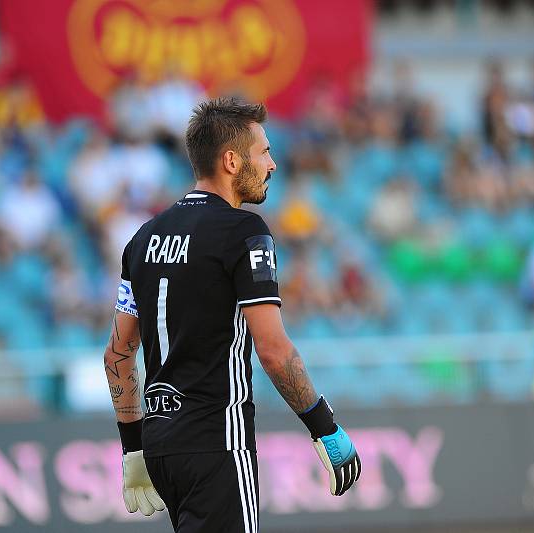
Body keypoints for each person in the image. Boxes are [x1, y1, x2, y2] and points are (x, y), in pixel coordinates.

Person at [103, 98, 361, 532]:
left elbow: (117, 354)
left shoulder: (142, 238)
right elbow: (274, 350)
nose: (272, 164)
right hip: (217, 440)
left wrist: (133, 447)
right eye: (263, 151)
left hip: (162, 447)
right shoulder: (245, 231)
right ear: (230, 160)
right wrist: (325, 428)